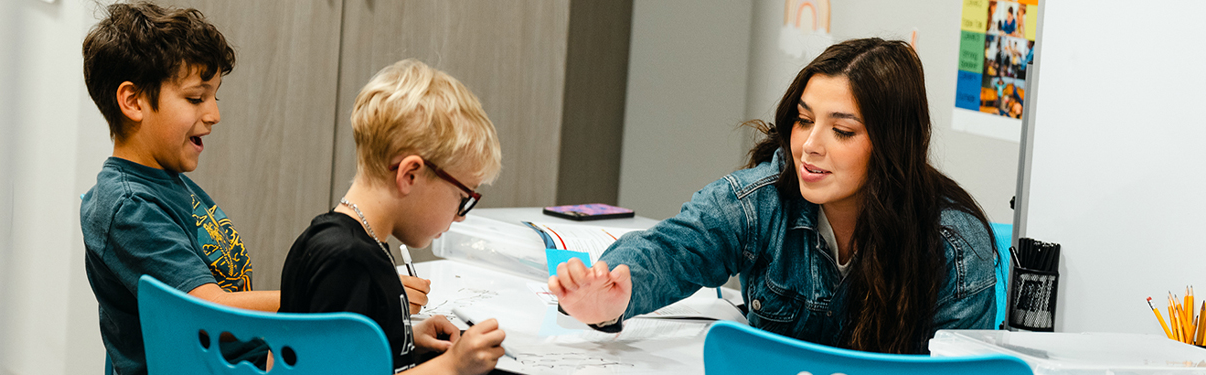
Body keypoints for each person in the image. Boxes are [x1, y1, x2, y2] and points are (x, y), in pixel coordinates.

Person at [549, 38, 998, 354]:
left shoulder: (953, 245)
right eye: (804, 121)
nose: (810, 146)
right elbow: (674, 247)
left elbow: (965, 366)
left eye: (842, 131)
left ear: (892, 144)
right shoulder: (760, 201)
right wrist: (610, 301)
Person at [78, 4, 430, 374]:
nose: (214, 114)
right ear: (132, 101)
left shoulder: (166, 181)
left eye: (215, 97)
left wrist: (395, 331)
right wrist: (350, 299)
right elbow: (209, 312)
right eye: (196, 98)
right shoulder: (128, 206)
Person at [279, 59, 506, 374]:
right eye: (461, 198)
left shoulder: (350, 242)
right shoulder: (346, 260)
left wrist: (404, 337)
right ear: (410, 175)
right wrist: (452, 366)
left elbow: (334, 353)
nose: (460, 216)